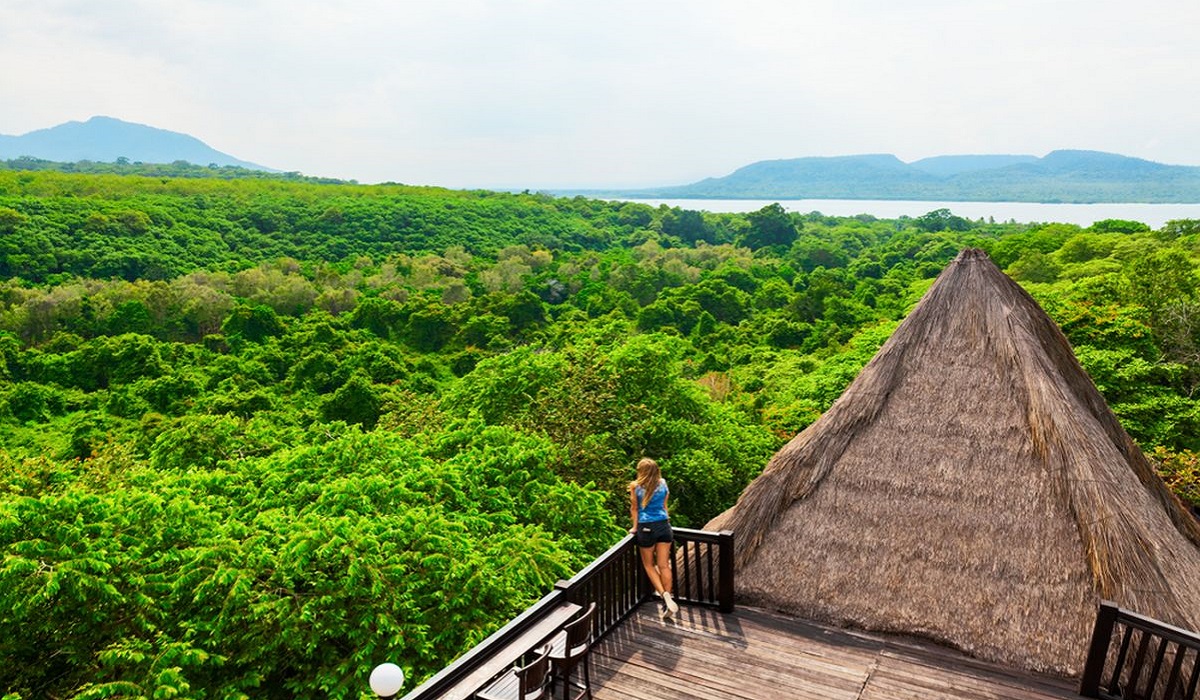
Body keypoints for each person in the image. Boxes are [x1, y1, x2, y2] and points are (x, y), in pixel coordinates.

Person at [629, 457, 678, 619]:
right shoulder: (663, 483)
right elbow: (665, 506)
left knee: (649, 565)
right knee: (664, 565)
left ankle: (663, 594)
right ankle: (668, 599)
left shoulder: (636, 487)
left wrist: (635, 528)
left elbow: (635, 509)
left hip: (647, 527)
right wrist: (666, 521)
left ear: (641, 472)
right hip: (664, 525)